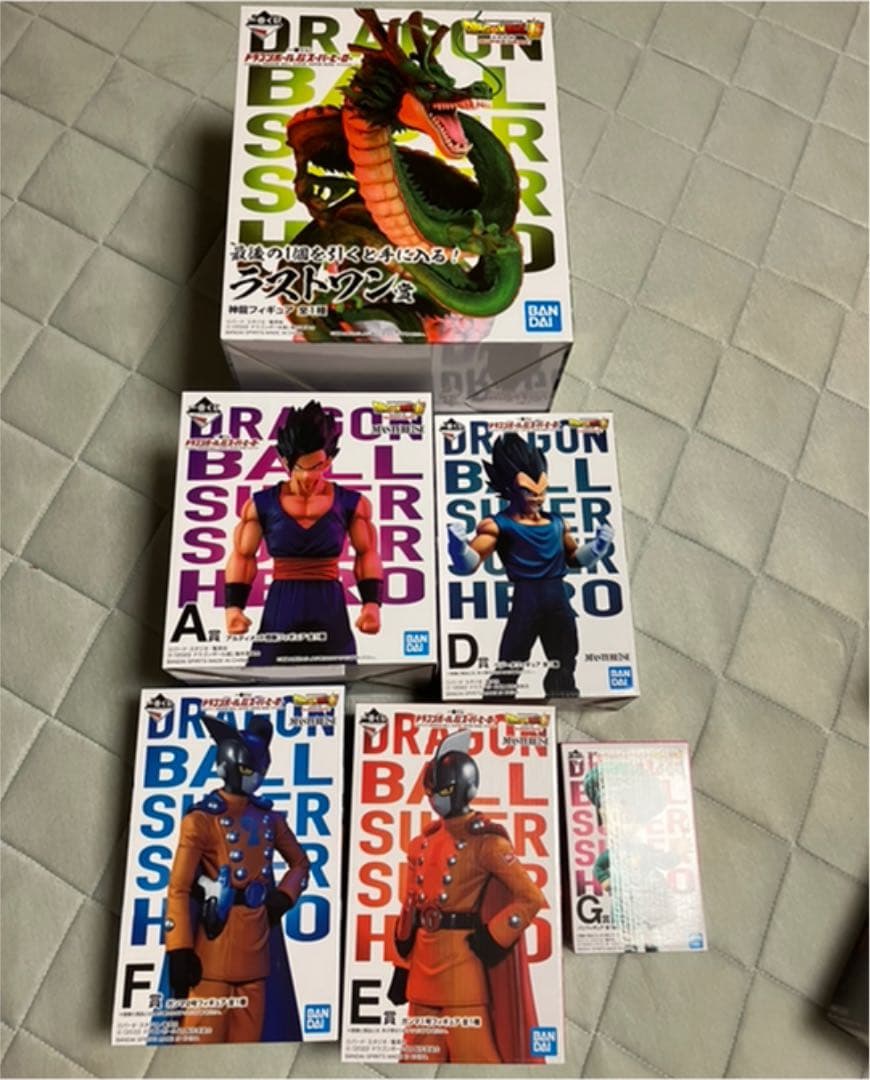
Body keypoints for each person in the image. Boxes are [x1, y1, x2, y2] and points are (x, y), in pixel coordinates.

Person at [387, 731, 545, 1063]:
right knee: (414, 1060)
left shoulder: (487, 843)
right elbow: (410, 909)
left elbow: (529, 898)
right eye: (431, 792)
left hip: (462, 968)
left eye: (443, 791)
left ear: (465, 789)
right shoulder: (422, 843)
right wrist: (401, 966)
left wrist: (492, 938)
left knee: (476, 1060)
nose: (435, 800)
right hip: (421, 971)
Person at [164, 715, 309, 1042]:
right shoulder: (201, 820)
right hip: (213, 945)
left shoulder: (270, 818)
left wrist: (282, 898)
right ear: (225, 767)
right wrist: (180, 949)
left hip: (256, 945)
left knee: (249, 1044)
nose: (254, 779)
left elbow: (300, 864)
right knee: (198, 1042)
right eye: (246, 770)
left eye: (259, 771)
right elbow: (179, 888)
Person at [447, 432, 613, 697]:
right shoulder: (497, 525)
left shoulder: (556, 522)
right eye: (529, 491)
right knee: (511, 663)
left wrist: (598, 547)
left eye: (542, 491)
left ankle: (562, 699)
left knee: (565, 659)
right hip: (527, 600)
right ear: (511, 489)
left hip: (558, 598)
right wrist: (458, 548)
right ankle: (497, 707)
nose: (538, 498)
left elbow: (573, 558)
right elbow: (470, 564)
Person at [224, 400, 383, 665]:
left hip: (329, 600)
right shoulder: (260, 504)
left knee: (339, 672)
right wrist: (233, 607)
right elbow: (243, 556)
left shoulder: (352, 503)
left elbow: (367, 553)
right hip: (282, 599)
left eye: (317, 466)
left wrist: (371, 604)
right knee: (266, 672)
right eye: (300, 468)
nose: (308, 476)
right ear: (285, 462)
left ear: (328, 461)